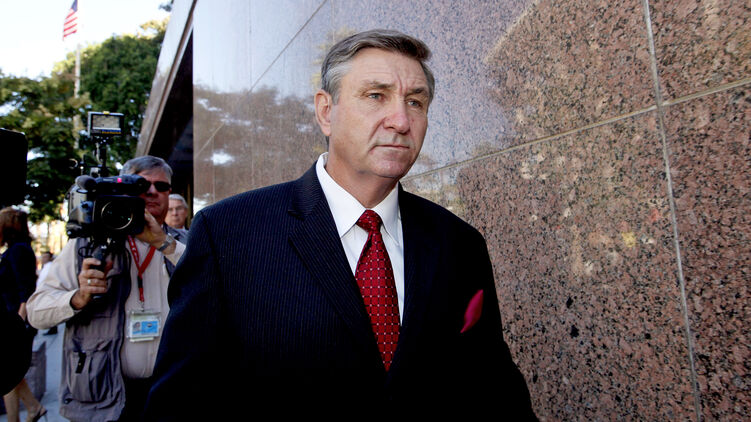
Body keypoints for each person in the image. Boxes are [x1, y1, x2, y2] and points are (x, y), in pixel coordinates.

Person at [145, 30, 536, 419]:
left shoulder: (459, 243)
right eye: (376, 95)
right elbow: (178, 404)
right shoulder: (228, 233)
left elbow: (495, 391)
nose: (401, 121)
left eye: (415, 102)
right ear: (325, 111)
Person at [26, 156, 188, 422]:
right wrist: (77, 298)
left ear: (169, 192)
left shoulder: (184, 243)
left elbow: (209, 283)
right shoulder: (86, 243)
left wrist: (164, 243)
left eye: (161, 186)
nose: (152, 192)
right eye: (141, 185)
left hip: (171, 389)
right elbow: (36, 311)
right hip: (103, 393)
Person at [0, 208, 46, 422]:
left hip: (17, 320)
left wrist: (18, 323)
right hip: (14, 319)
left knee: (7, 371)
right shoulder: (18, 249)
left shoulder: (18, 251)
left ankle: (23, 414)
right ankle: (33, 407)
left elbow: (25, 291)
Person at [36, 252, 58, 335]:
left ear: (50, 258)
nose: (43, 259)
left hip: (48, 292)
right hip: (45, 292)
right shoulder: (45, 266)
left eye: (45, 257)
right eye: (43, 257)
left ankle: (53, 328)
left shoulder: (50, 266)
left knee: (50, 311)